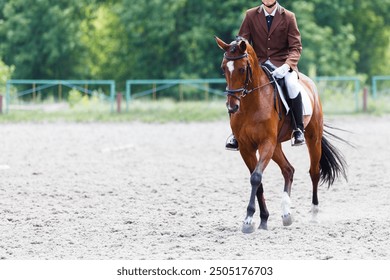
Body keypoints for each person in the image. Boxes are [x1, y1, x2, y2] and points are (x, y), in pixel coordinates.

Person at [225, 0, 305, 150]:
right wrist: (237, 45)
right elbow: (243, 40)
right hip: (259, 64)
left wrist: (287, 65)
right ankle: (235, 134)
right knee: (235, 88)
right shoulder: (250, 15)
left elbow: (296, 47)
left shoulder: (288, 16)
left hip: (282, 64)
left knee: (292, 85)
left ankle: (298, 129)